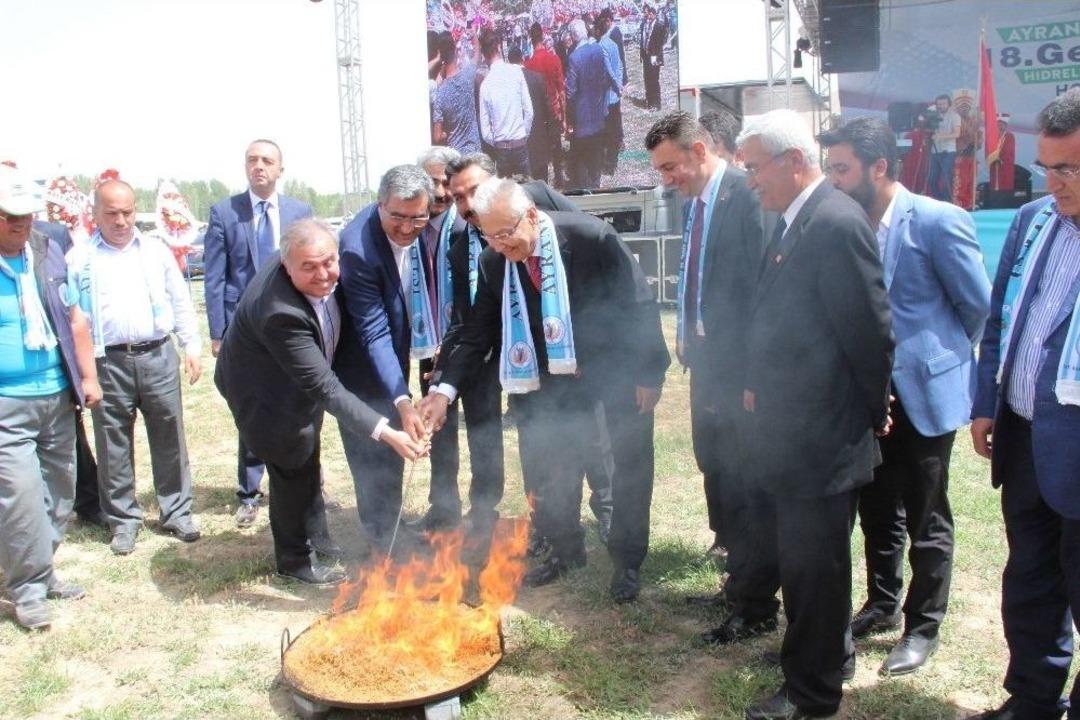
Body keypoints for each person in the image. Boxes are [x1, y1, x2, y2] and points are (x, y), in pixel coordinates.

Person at [422, 178, 669, 603]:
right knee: (555, 468)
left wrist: (650, 373)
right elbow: (477, 330)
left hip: (613, 371)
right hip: (550, 380)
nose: (500, 245)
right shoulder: (493, 262)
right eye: (489, 235)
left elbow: (638, 303)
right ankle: (566, 550)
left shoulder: (592, 237)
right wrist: (444, 390)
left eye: (506, 233)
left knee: (626, 467)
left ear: (532, 216)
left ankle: (627, 561)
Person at [736, 109, 894, 719]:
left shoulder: (832, 222)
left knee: (815, 570)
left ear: (793, 162)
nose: (750, 180)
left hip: (821, 436)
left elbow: (870, 332)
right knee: (809, 565)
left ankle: (813, 695)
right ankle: (826, 658)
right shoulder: (792, 221)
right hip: (791, 432)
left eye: (755, 168)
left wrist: (871, 410)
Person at [820, 117, 991, 676]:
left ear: (880, 167)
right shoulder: (841, 224)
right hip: (865, 398)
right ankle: (883, 602)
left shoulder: (939, 222)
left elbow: (976, 307)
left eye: (842, 169)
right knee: (875, 508)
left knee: (925, 516)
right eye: (829, 168)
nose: (833, 179)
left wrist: (930, 363)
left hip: (922, 396)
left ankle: (923, 628)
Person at [215, 219, 425, 586]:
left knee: (306, 454)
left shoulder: (319, 267)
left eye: (328, 262)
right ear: (287, 266)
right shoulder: (280, 312)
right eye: (309, 267)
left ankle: (318, 537)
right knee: (290, 462)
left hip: (298, 382)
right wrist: (387, 433)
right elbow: (325, 388)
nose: (323, 274)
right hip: (262, 391)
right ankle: (294, 559)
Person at [969, 87, 1080, 720]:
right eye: (1048, 166)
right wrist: (989, 402)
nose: (1053, 181)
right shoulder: (1032, 220)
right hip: (1027, 438)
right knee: (1030, 581)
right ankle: (1034, 701)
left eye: (1068, 168)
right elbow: (1002, 319)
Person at [445, 155, 614, 551]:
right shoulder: (463, 245)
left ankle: (608, 512)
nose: (468, 203)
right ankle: (547, 525)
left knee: (594, 437)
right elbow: (472, 320)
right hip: (521, 358)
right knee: (538, 444)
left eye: (474, 190)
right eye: (458, 197)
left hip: (576, 353)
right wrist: (445, 382)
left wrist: (585, 347)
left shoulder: (541, 202)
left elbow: (588, 260)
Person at [645, 112, 768, 626]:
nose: (666, 179)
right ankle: (738, 581)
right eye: (660, 170)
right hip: (707, 365)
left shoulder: (745, 195)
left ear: (699, 150)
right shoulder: (699, 203)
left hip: (739, 370)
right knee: (716, 470)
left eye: (671, 166)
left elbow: (760, 293)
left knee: (745, 483)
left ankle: (755, 602)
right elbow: (698, 274)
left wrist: (752, 377)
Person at [68, 179, 204, 556]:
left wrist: (190, 343)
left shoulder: (155, 251)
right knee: (113, 443)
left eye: (127, 212)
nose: (122, 220)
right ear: (95, 214)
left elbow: (179, 299)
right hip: (107, 361)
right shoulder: (81, 258)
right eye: (111, 213)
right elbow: (73, 316)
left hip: (158, 354)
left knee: (169, 436)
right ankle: (124, 521)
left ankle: (176, 511)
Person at [0, 166, 101, 629]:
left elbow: (75, 318)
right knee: (20, 497)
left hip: (57, 395)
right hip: (7, 403)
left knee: (60, 493)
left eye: (25, 216)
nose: (19, 225)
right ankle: (27, 590)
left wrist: (88, 377)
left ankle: (42, 568)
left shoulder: (49, 251)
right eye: (9, 217)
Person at [204, 139, 313, 528]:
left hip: (290, 326)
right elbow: (215, 277)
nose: (259, 167)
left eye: (267, 161)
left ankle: (309, 481)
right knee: (253, 408)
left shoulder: (300, 211)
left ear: (281, 168)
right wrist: (218, 332)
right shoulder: (225, 212)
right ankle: (249, 492)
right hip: (244, 331)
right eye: (252, 160)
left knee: (301, 403)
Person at [336, 166, 432, 552]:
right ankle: (382, 541)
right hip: (360, 366)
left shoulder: (428, 229)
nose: (408, 228)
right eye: (398, 218)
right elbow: (373, 331)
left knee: (394, 441)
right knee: (370, 446)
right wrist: (402, 397)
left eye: (418, 218)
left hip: (398, 353)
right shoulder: (357, 248)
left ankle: (393, 524)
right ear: (380, 205)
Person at [565, 19, 618, 189]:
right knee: (595, 154)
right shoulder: (598, 49)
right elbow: (605, 79)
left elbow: (571, 92)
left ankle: (585, 190)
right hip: (598, 111)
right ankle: (596, 186)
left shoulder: (573, 58)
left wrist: (570, 119)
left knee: (582, 158)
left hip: (582, 116)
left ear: (573, 37)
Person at [477, 30, 533, 176]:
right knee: (526, 193)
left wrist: (497, 141)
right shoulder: (516, 72)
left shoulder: (486, 85)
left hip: (501, 147)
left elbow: (485, 131)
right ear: (499, 48)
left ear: (484, 54)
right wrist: (523, 134)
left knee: (504, 196)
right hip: (519, 142)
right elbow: (529, 111)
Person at [524, 22, 569, 187]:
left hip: (538, 115)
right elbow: (562, 91)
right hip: (554, 110)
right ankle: (559, 177)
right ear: (543, 36)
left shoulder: (527, 64)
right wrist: (565, 117)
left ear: (530, 38)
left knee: (540, 151)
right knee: (557, 147)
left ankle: (541, 183)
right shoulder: (553, 59)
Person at [509, 48, 559, 186]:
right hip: (539, 141)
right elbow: (548, 109)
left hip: (516, 144)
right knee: (541, 185)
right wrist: (553, 135)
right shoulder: (536, 78)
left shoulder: (507, 83)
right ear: (522, 60)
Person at [432, 33, 482, 155]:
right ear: (455, 51)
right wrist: (474, 34)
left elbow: (437, 137)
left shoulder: (439, 94)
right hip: (474, 150)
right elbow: (477, 54)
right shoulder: (467, 75)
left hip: (456, 155)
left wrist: (447, 133)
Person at [596, 10, 625, 175]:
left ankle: (609, 162)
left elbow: (608, 70)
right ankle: (613, 161)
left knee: (608, 130)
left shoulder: (602, 46)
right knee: (614, 129)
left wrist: (616, 84)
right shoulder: (613, 44)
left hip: (608, 95)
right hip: (616, 94)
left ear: (599, 31)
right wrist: (620, 85)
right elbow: (619, 65)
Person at [927, 94, 961, 203]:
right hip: (935, 151)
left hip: (948, 152)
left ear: (949, 104)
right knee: (932, 179)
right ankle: (939, 200)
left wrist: (941, 136)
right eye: (939, 104)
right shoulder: (933, 115)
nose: (941, 106)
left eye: (943, 104)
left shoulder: (955, 116)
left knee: (946, 178)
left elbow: (957, 134)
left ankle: (947, 201)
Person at [639, 3, 667, 111]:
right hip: (646, 56)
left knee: (654, 80)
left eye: (649, 13)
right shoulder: (644, 24)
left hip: (654, 57)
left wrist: (655, 56)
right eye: (646, 13)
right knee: (647, 79)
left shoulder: (659, 26)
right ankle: (649, 100)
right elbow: (643, 40)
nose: (647, 16)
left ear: (654, 13)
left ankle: (656, 103)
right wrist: (642, 53)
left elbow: (660, 44)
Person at [989, 113, 1016, 193]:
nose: (1000, 126)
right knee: (994, 184)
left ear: (1005, 125)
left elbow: (1009, 150)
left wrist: (1000, 159)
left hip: (1005, 165)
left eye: (1002, 124)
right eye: (998, 124)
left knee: (1005, 186)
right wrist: (993, 158)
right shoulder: (993, 136)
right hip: (994, 164)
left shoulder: (1009, 136)